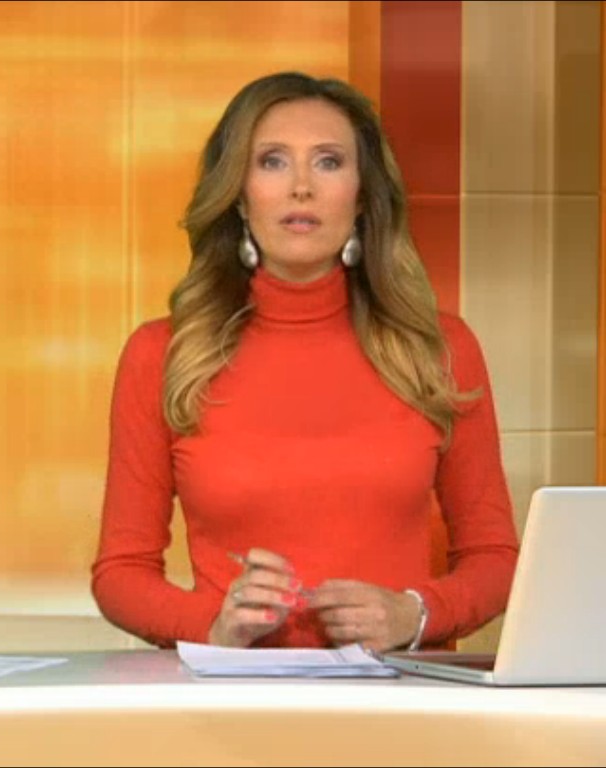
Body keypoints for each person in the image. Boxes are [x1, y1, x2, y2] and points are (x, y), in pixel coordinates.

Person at [91, 72, 520, 652]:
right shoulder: (163, 354)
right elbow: (120, 573)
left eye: (328, 162)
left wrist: (415, 614)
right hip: (235, 697)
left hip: (402, 697)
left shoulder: (439, 348)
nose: (301, 188)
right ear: (238, 194)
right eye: (271, 161)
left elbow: (495, 557)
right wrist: (212, 626)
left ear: (362, 196)